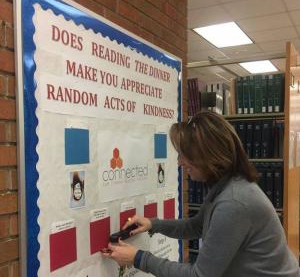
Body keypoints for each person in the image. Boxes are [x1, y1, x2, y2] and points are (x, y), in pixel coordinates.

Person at [102, 111, 300, 277]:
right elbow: (197, 226)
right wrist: (154, 224)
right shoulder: (226, 185)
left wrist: (137, 258)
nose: (179, 163)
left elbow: (200, 275)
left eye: (183, 155)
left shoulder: (233, 202)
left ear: (207, 155)